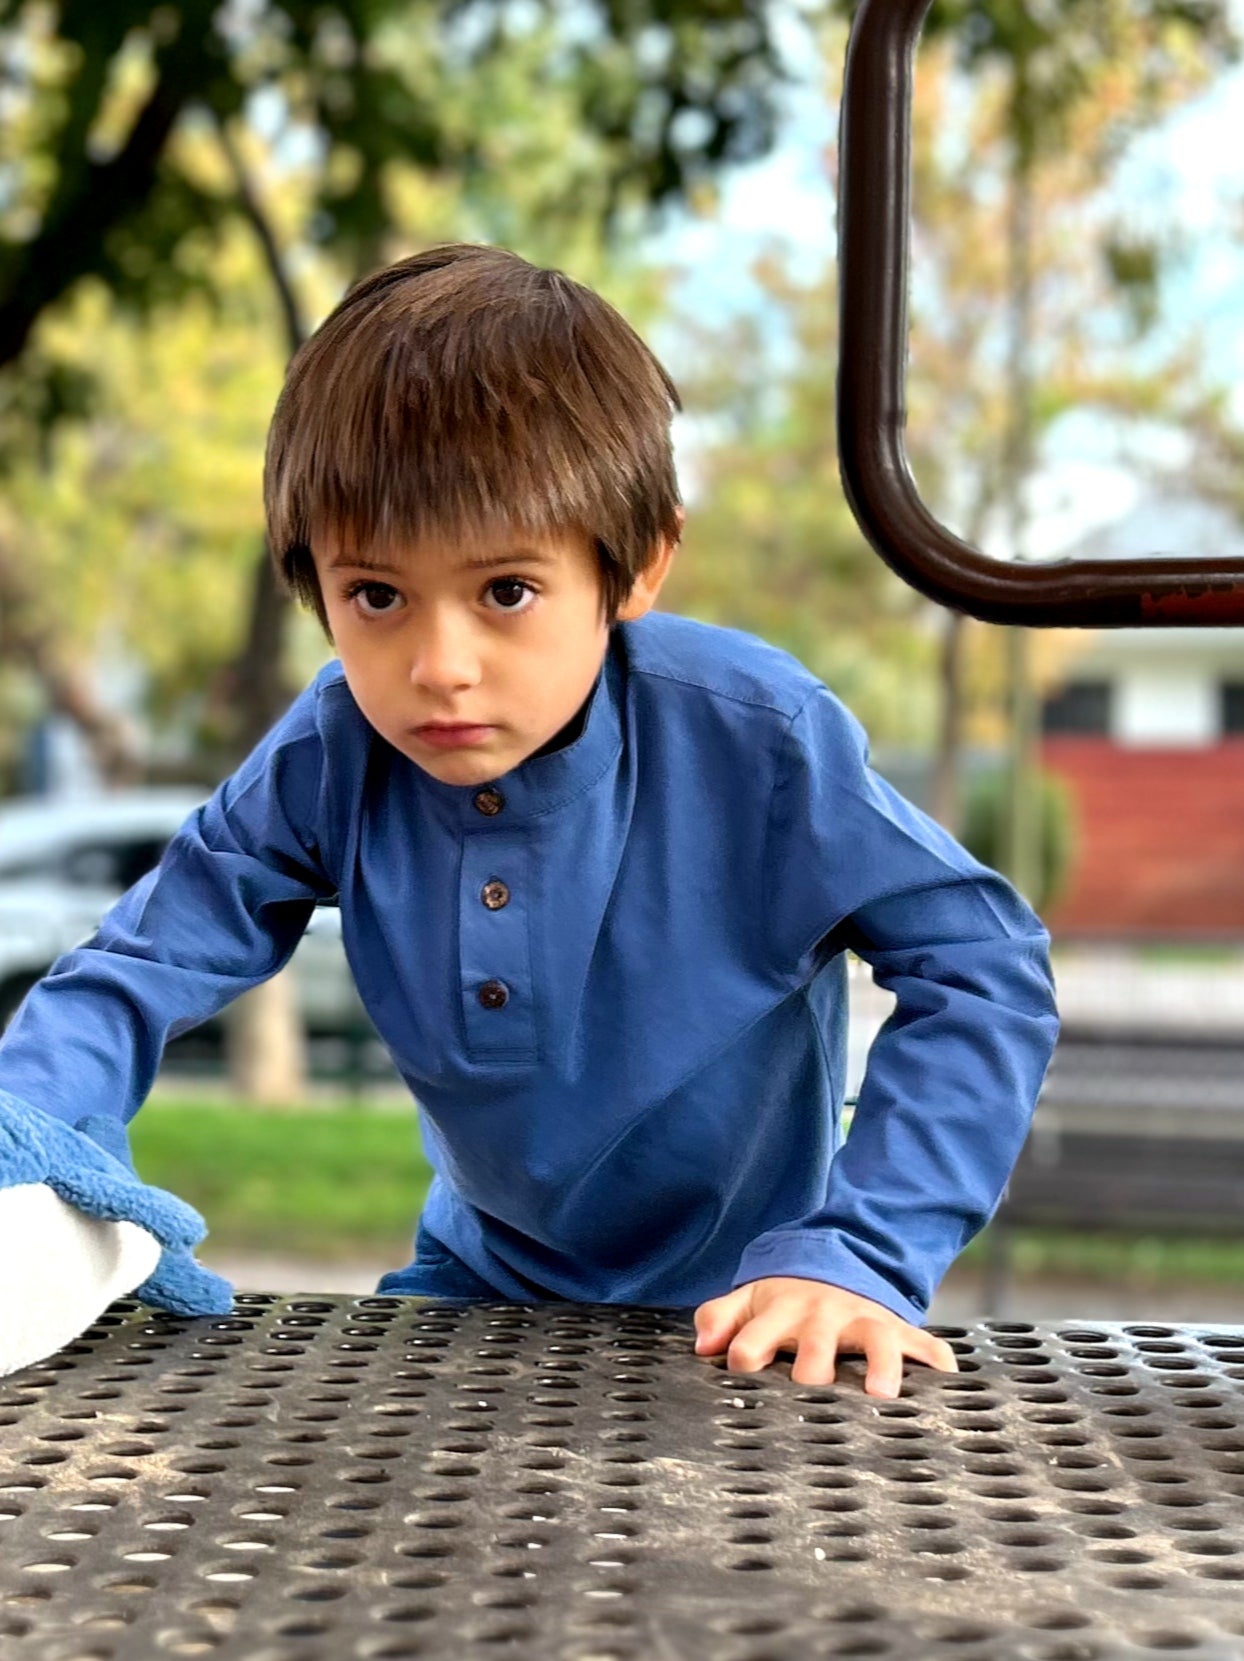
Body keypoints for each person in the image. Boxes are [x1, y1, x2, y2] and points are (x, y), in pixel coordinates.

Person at [0, 244, 1058, 1394]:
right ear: (315, 582)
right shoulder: (334, 747)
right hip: (475, 1286)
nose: (439, 667)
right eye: (376, 595)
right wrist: (27, 1130)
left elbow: (983, 963)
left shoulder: (756, 736)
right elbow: (142, 960)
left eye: (505, 590)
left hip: (757, 1305)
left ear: (635, 565)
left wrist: (862, 1251)